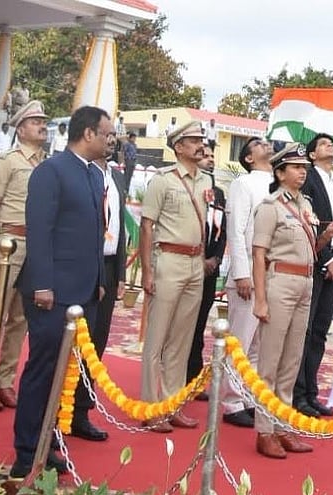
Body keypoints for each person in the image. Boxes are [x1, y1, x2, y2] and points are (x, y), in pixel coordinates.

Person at [12, 105, 111, 479]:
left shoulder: (92, 174)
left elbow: (93, 234)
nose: (109, 140)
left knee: (64, 372)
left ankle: (47, 441)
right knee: (43, 370)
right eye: (106, 134)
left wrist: (99, 278)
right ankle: (26, 452)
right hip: (51, 292)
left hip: (84, 290)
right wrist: (42, 284)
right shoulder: (51, 171)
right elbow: (40, 231)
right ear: (88, 134)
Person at [251, 143, 333, 459]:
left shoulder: (305, 205)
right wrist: (260, 299)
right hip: (280, 282)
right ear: (280, 173)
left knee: (291, 361)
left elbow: (310, 249)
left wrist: (325, 237)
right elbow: (259, 254)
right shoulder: (270, 206)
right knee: (270, 362)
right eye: (295, 167)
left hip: (305, 281)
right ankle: (265, 430)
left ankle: (282, 426)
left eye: (304, 167)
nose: (302, 172)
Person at [138, 121, 210, 433]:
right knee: (157, 338)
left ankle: (172, 403)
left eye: (200, 140)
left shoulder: (205, 179)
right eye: (193, 140)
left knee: (182, 340)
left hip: (195, 262)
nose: (200, 145)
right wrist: (147, 271)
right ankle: (152, 407)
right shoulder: (163, 180)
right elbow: (146, 226)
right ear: (178, 146)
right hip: (168, 259)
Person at [0, 100, 49, 412]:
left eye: (43, 121)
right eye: (36, 121)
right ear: (21, 128)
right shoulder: (7, 161)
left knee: (20, 318)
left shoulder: (46, 163)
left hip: (35, 247)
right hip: (9, 242)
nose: (42, 126)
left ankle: (3, 380)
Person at [292, 133, 333, 418]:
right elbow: (309, 222)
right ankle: (298, 393)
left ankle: (312, 393)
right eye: (324, 144)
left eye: (332, 143)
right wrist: (327, 259)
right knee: (303, 331)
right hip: (315, 261)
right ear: (313, 154)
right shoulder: (308, 181)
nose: (331, 146)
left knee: (319, 331)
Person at [220, 137, 274, 428]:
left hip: (271, 276)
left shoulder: (276, 184)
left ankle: (249, 396)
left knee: (257, 345)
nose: (266, 144)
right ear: (249, 158)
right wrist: (241, 272)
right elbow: (237, 231)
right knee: (240, 341)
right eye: (258, 143)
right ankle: (230, 402)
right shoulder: (244, 184)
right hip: (249, 275)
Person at [79, 126, 127, 442]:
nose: (110, 141)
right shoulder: (79, 174)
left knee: (97, 341)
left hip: (109, 267)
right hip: (84, 266)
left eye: (113, 137)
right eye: (104, 134)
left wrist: (121, 274)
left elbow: (119, 226)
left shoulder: (117, 178)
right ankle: (56, 411)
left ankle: (80, 410)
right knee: (74, 340)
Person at [186, 145, 226, 393]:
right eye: (205, 156)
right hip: (189, 265)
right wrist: (199, 258)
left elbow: (223, 232)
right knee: (183, 326)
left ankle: (194, 378)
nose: (209, 160)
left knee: (200, 326)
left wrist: (216, 258)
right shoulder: (189, 188)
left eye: (212, 156)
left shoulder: (219, 194)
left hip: (210, 269)